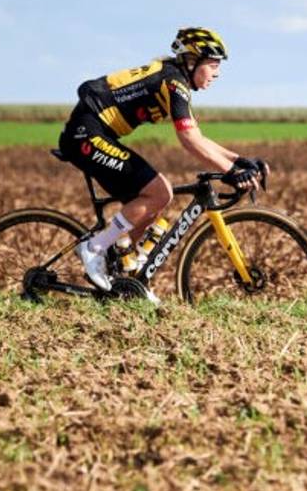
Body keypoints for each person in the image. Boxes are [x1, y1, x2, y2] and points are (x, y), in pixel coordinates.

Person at [57, 27, 264, 297]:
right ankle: (94, 248)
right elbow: (189, 140)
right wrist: (231, 172)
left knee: (154, 202)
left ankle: (125, 281)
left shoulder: (175, 81)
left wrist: (239, 161)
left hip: (97, 133)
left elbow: (198, 137)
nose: (217, 73)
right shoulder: (173, 82)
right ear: (193, 61)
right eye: (213, 65)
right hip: (86, 133)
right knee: (159, 192)